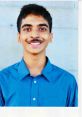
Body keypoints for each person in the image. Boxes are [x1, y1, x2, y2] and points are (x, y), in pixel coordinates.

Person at [0, 4, 78, 107]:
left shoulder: (68, 82)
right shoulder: (2, 79)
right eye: (27, 29)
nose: (35, 35)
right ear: (19, 37)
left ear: (50, 36)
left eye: (42, 29)